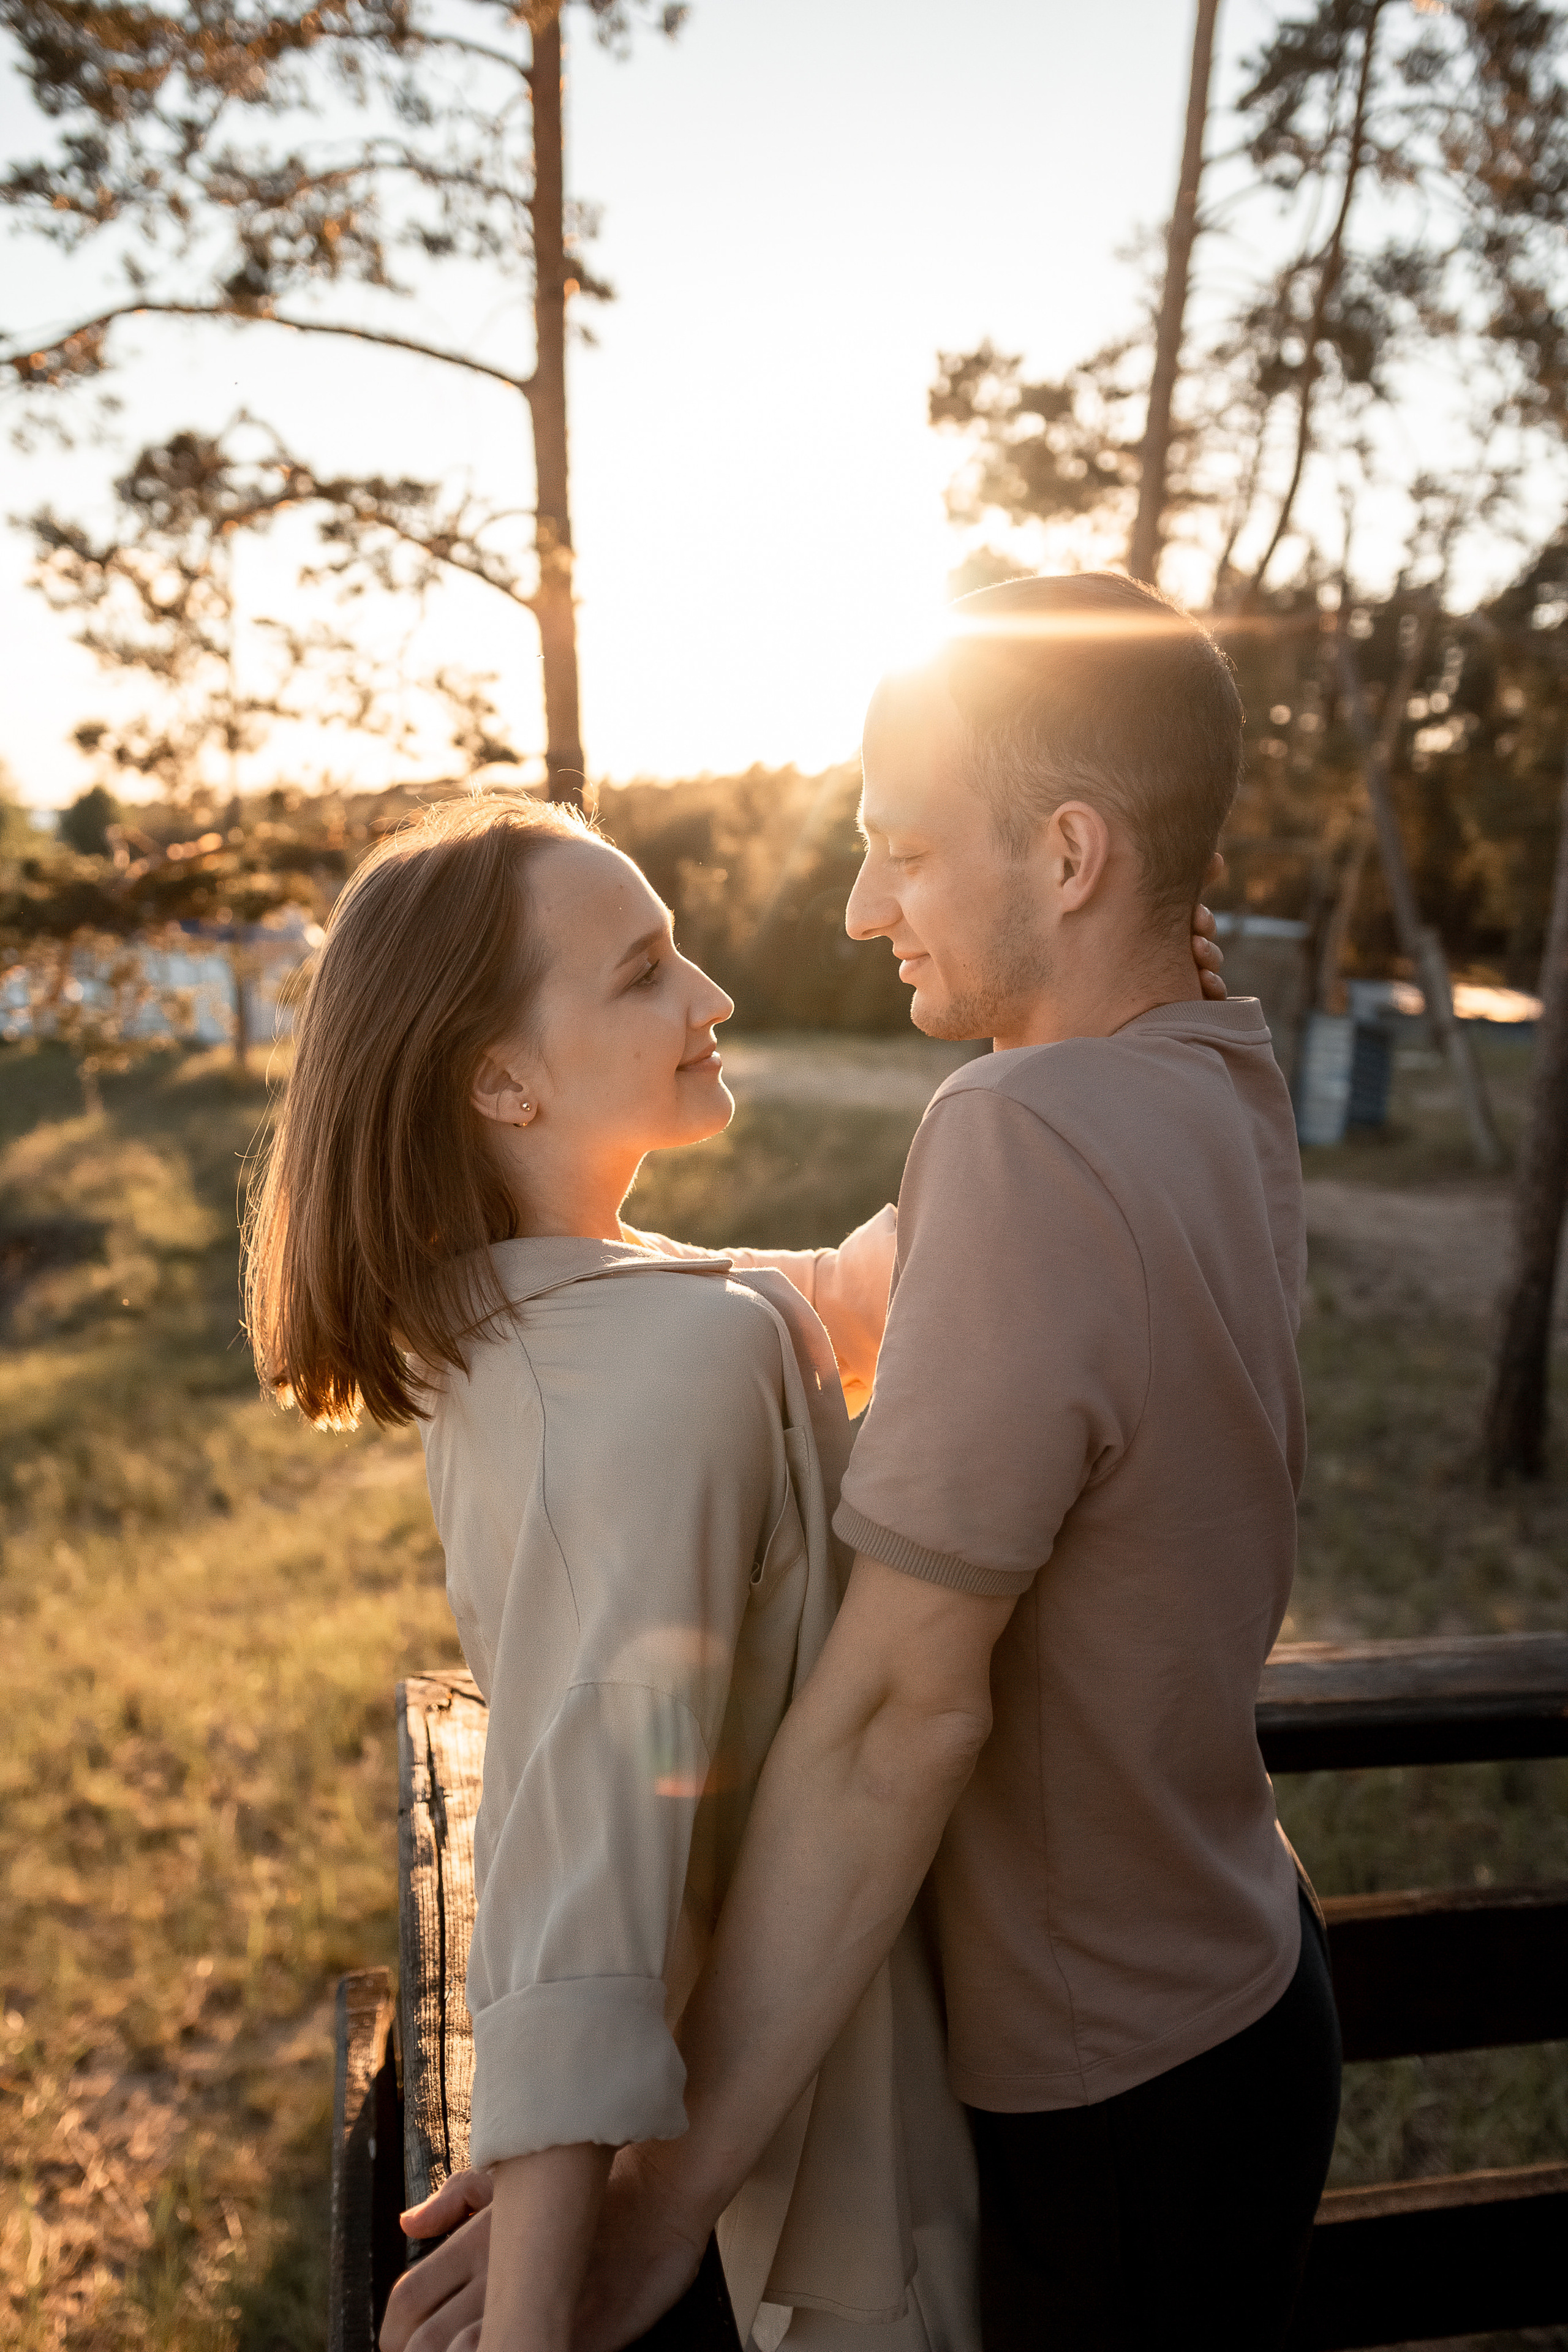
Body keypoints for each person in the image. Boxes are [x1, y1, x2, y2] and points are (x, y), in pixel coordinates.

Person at [384, 571, 1339, 2352]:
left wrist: (658, 2209)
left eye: (903, 848)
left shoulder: (1019, 1134)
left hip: (1100, 2083)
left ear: (1069, 855)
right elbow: (858, 1295)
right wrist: (556, 1293)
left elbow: (909, 1717)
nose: (856, 903)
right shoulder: (1207, 1072)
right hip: (1247, 1983)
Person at [244, 793, 996, 2352]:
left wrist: (1078, 1043)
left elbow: (858, 1298)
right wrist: (537, 2318)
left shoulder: (534, 1327)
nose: (709, 994)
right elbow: (577, 1870)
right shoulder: (656, 1367)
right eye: (643, 968)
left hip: (712, 2097)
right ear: (499, 1080)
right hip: (768, 2198)